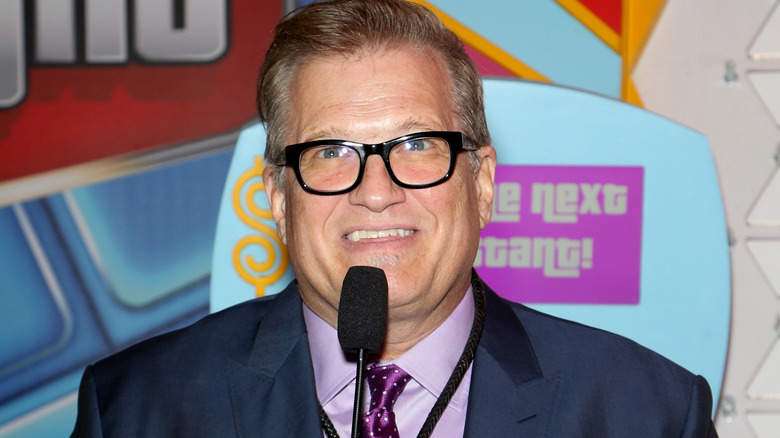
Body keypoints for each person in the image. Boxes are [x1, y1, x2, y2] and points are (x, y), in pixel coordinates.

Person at [71, 0, 719, 436]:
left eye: (416, 146)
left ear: (483, 182)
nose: (376, 192)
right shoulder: (138, 407)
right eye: (330, 151)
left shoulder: (647, 411)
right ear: (276, 195)